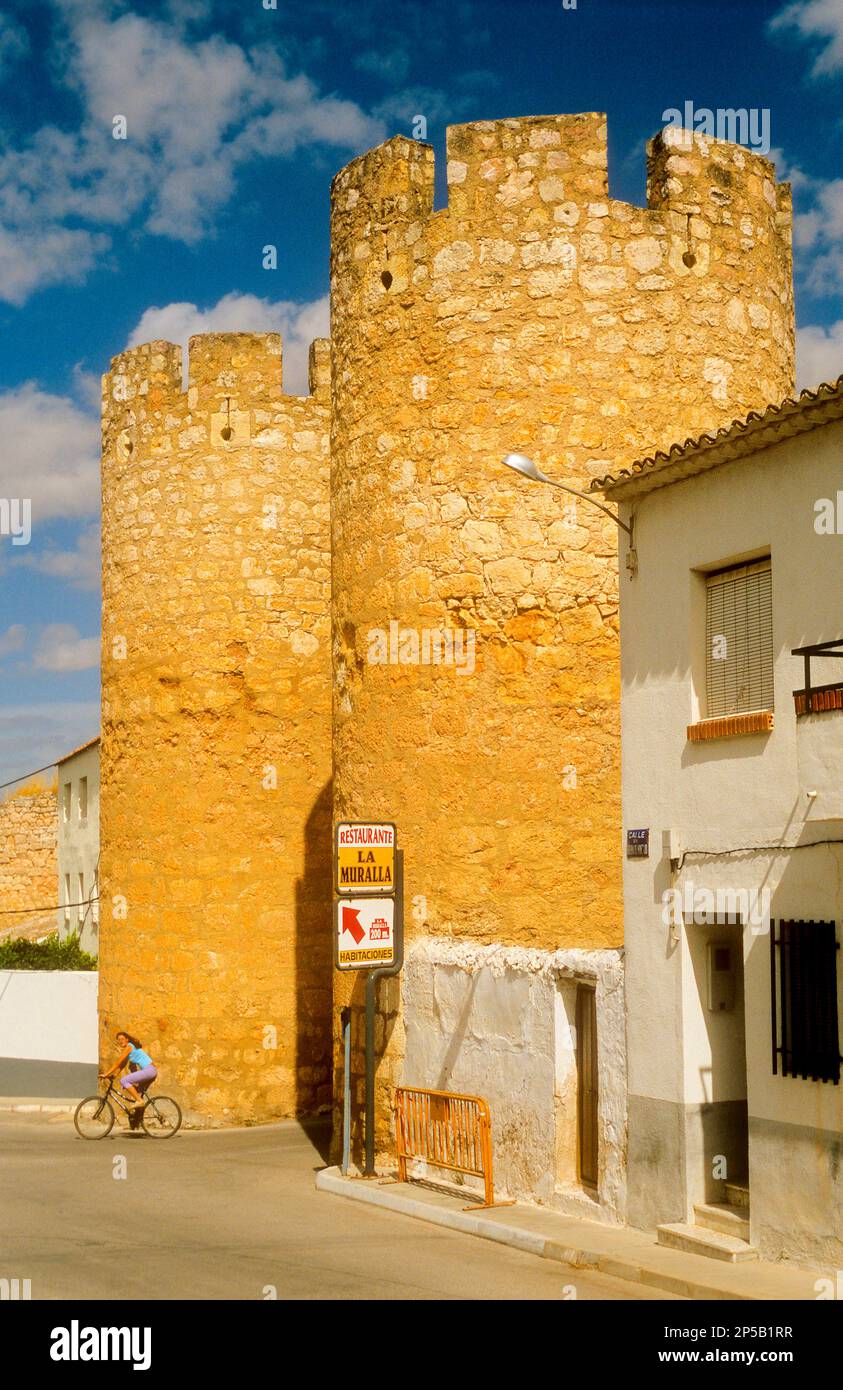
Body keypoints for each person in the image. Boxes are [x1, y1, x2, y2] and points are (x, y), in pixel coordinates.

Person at [101, 1030, 158, 1107]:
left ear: (127, 1039)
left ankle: (139, 1101)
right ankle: (138, 1116)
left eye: (122, 1039)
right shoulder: (130, 1049)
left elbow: (118, 1062)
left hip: (149, 1070)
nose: (120, 1041)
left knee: (124, 1081)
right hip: (152, 1071)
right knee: (138, 1093)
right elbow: (122, 1064)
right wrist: (115, 1075)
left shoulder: (129, 1046)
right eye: (119, 1040)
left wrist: (106, 1074)